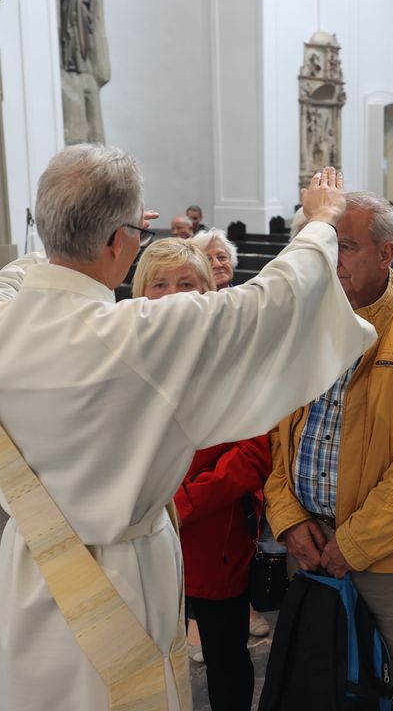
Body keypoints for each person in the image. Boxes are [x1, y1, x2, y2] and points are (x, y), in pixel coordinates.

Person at [0, 149, 375, 711]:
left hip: (32, 569)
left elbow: (23, 274)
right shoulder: (140, 336)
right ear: (117, 244)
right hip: (119, 579)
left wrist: (108, 227)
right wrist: (321, 220)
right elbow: (274, 301)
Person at [265, 191, 393, 711]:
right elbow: (276, 432)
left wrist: (354, 543)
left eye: (346, 247)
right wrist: (286, 516)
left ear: (386, 252)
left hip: (387, 552)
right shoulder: (304, 319)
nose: (333, 260)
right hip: (307, 539)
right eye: (328, 245)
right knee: (318, 679)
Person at [132, 239, 268, 711]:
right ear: (141, 292)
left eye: (186, 284)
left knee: (225, 654)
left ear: (208, 289)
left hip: (213, 536)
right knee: (150, 653)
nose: (173, 295)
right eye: (160, 284)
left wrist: (184, 503)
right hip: (143, 534)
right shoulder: (126, 356)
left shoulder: (233, 356)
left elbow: (253, 452)